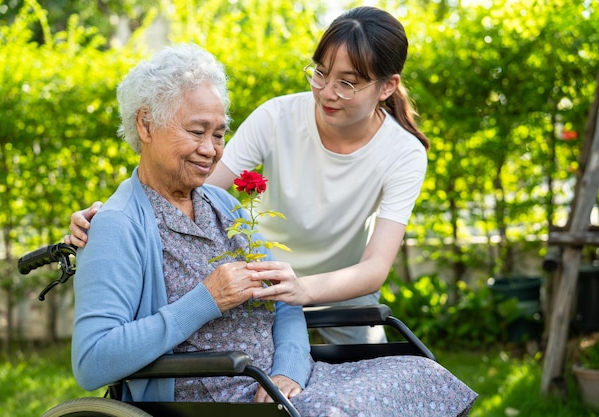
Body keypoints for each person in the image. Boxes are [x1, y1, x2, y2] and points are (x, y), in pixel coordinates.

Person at [71, 41, 476, 417]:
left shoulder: (223, 206)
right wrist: (206, 299)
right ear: (145, 125)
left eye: (218, 134)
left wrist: (290, 373)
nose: (211, 149)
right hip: (224, 396)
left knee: (419, 373)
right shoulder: (118, 226)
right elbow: (92, 363)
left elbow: (283, 301)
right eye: (196, 132)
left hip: (281, 387)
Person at [68, 7, 428, 345]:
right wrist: (113, 218)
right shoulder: (277, 117)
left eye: (347, 83)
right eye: (320, 72)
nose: (326, 92)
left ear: (387, 87)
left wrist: (302, 288)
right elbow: (188, 191)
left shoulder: (403, 152)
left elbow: (375, 268)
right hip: (264, 287)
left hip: (341, 292)